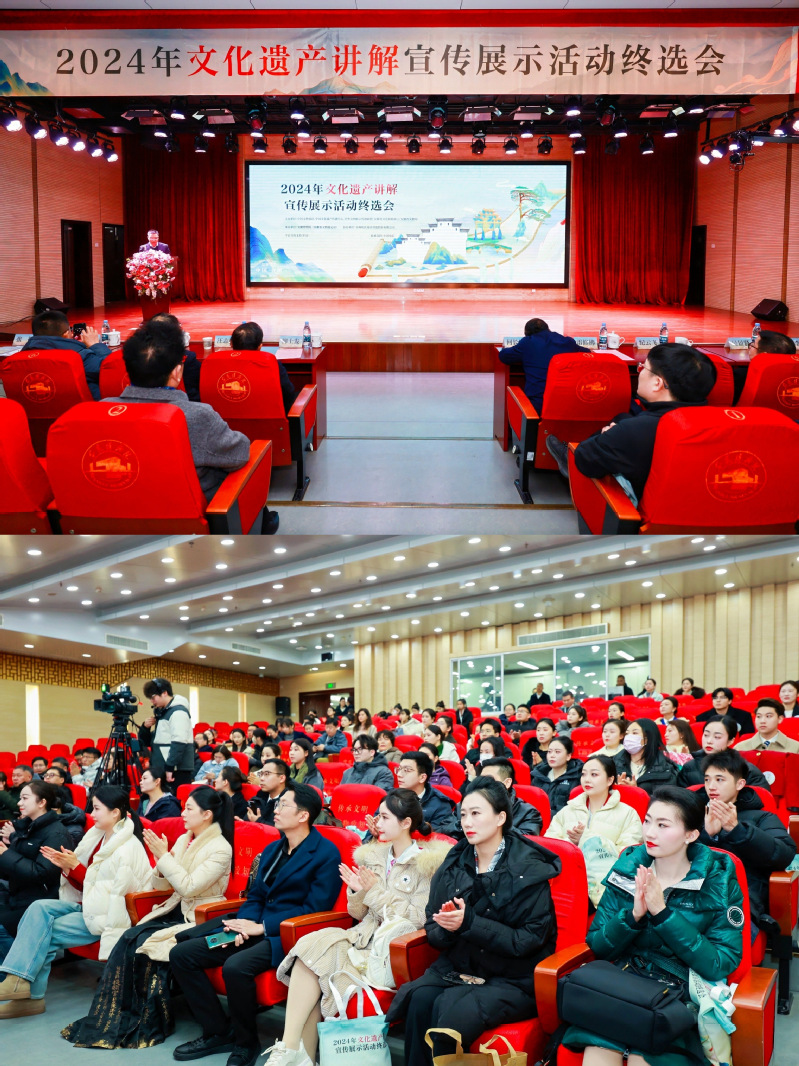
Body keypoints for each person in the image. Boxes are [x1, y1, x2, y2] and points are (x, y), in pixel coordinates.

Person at [561, 786, 745, 1066]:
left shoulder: (718, 880)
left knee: (644, 1057)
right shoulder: (629, 866)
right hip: (622, 985)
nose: (649, 832)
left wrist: (662, 914)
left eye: (663, 825)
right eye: (647, 821)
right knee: (598, 1053)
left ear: (690, 835)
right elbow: (598, 944)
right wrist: (632, 916)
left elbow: (719, 963)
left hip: (675, 996)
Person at [267, 790, 452, 1066]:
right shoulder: (375, 855)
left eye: (385, 817)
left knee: (316, 959)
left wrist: (374, 891)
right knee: (310, 950)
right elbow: (358, 914)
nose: (377, 822)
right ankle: (291, 1050)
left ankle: (292, 1053)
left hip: (390, 952)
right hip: (362, 937)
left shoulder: (427, 865)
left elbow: (417, 919)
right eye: (378, 815)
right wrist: (356, 892)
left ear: (405, 823)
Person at [386, 776, 559, 1065]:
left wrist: (470, 924)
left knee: (450, 1012)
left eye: (476, 813)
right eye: (464, 814)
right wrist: (449, 927)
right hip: (461, 968)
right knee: (418, 999)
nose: (467, 822)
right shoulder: (454, 863)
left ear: (500, 818)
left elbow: (528, 940)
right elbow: (433, 927)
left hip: (512, 977)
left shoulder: (528, 868)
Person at [169, 783, 341, 1066]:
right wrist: (245, 923)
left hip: (287, 936)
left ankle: (246, 1042)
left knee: (236, 966)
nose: (276, 809)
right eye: (278, 803)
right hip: (254, 927)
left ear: (303, 815)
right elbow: (257, 895)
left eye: (284, 805)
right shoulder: (273, 849)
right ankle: (218, 1031)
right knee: (183, 954)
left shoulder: (325, 854)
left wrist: (262, 927)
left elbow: (314, 910)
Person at [62, 787, 234, 1049]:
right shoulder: (184, 839)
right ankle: (119, 1016)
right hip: (174, 908)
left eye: (189, 808)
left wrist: (164, 857)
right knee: (128, 938)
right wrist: (161, 861)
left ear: (207, 815)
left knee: (145, 946)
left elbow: (189, 887)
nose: (183, 813)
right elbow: (160, 885)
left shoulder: (221, 848)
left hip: (200, 916)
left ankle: (146, 1021)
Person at [0, 786, 151, 1017]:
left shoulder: (127, 848)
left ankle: (28, 993)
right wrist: (69, 867)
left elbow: (109, 896)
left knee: (43, 931)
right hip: (90, 904)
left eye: (97, 809)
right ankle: (19, 982)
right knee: (38, 908)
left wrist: (75, 868)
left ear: (115, 813)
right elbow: (89, 886)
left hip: (110, 915)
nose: (92, 814)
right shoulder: (97, 837)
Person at [102, 319, 266, 518]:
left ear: (128, 370)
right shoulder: (197, 416)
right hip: (188, 516)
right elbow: (240, 454)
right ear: (176, 372)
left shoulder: (99, 411)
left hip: (119, 513)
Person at [547, 343, 717, 506]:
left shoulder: (633, 431)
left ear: (657, 383)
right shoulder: (716, 425)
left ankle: (568, 458)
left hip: (634, 512)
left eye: (643, 368)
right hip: (690, 508)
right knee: (622, 417)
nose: (640, 371)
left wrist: (608, 436)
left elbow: (584, 460)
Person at [697, 749, 796, 930]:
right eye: (707, 779)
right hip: (696, 893)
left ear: (740, 783)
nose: (711, 786)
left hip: (742, 898)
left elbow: (785, 854)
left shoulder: (762, 817)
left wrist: (737, 830)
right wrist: (708, 836)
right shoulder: (695, 813)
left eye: (719, 779)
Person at [546, 755, 643, 906]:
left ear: (610, 780)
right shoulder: (567, 811)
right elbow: (549, 845)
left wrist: (586, 839)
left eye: (594, 774)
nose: (586, 779)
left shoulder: (627, 813)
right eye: (584, 774)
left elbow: (628, 855)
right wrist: (571, 843)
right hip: (567, 882)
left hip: (604, 888)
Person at [0, 781, 73, 961]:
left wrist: (6, 854)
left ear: (42, 802)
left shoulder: (56, 834)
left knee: (2, 928)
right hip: (18, 892)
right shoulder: (28, 827)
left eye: (25, 798)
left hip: (41, 900)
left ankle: (17, 970)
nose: (19, 803)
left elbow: (41, 873)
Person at [498, 317, 591, 413]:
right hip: (567, 406)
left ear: (527, 334)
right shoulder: (568, 342)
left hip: (537, 407)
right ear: (548, 329)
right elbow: (587, 353)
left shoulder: (528, 342)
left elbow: (503, 356)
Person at [21, 309, 111, 400]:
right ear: (66, 334)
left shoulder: (21, 357)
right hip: (82, 407)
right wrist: (96, 345)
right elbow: (110, 369)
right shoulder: (79, 356)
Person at [223, 321, 297, 417]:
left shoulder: (216, 364)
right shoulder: (272, 364)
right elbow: (288, 394)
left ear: (231, 344)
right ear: (259, 347)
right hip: (269, 423)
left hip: (225, 423)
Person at [677, 715, 771, 790]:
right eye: (706, 735)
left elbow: (761, 798)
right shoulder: (689, 767)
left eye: (717, 737)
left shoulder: (746, 769)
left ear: (730, 741)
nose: (709, 741)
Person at [138, 678, 194, 792]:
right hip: (163, 767)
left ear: (164, 693)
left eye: (153, 697)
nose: (152, 701)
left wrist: (170, 767)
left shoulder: (178, 712)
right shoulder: (164, 712)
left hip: (176, 770)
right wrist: (145, 728)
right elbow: (150, 741)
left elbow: (179, 741)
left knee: (174, 800)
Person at [473, 757, 543, 836]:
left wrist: (497, 820)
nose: (483, 784)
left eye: (489, 779)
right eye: (481, 779)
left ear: (507, 783)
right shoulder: (469, 806)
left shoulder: (528, 813)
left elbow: (526, 841)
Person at [395, 752, 459, 837]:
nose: (399, 775)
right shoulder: (392, 797)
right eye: (399, 769)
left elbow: (437, 839)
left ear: (422, 777)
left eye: (406, 770)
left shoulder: (440, 805)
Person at [613, 718, 678, 794]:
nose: (628, 737)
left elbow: (666, 798)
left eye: (635, 733)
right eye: (627, 734)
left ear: (647, 739)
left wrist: (637, 792)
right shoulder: (614, 762)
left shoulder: (666, 769)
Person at [732, 329, 797, 403]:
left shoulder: (741, 376)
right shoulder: (794, 377)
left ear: (764, 356)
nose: (750, 347)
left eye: (753, 345)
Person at [531, 736, 584, 815]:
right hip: (537, 819)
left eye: (557, 752)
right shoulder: (539, 775)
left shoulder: (578, 777)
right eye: (549, 751)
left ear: (568, 756)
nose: (552, 755)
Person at [735, 698, 799, 753]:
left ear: (780, 719)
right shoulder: (740, 748)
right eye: (759, 716)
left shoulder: (795, 748)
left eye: (768, 716)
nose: (762, 721)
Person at [247, 759, 289, 826]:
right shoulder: (260, 796)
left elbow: (282, 830)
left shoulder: (289, 802)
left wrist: (258, 821)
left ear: (281, 778)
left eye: (267, 774)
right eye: (261, 774)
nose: (261, 778)